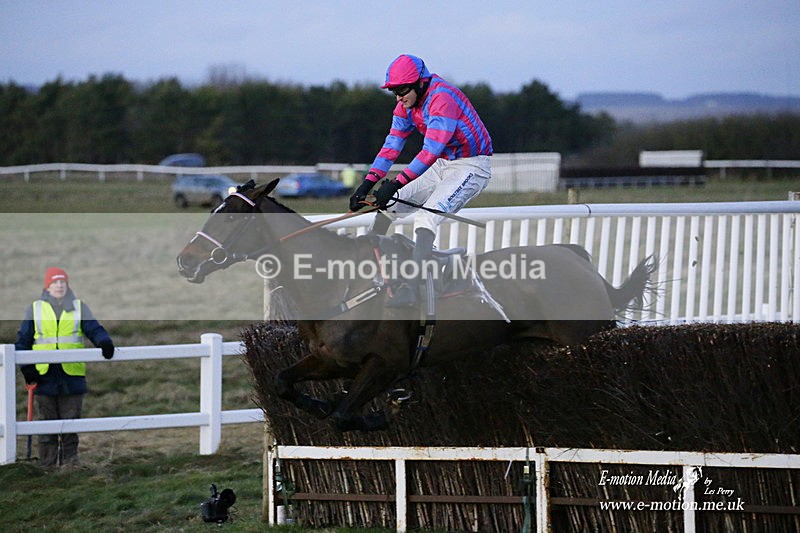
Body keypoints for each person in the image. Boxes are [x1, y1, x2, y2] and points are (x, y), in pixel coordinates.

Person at [349, 54, 493, 306]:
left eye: (402, 90)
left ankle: (411, 290)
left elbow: (429, 151)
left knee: (425, 217)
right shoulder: (405, 105)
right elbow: (392, 144)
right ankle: (372, 269)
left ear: (420, 83)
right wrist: (368, 183)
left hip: (472, 165)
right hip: (442, 163)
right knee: (390, 204)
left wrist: (394, 183)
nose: (399, 97)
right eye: (393, 92)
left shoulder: (442, 99)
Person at [16, 267, 115, 467]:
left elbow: (94, 329)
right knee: (47, 428)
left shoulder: (79, 307)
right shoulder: (35, 309)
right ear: (47, 286)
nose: (59, 285)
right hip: (44, 378)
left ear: (67, 285)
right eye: (55, 282)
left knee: (70, 427)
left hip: (72, 377)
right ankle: (48, 468)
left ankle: (70, 468)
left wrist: (104, 342)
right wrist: (27, 368)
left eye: (62, 282)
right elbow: (22, 341)